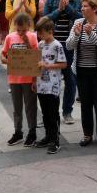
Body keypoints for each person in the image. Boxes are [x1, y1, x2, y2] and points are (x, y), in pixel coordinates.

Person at [66, 0, 97, 150]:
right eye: (82, 6)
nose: (82, 9)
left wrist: (91, 35)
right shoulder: (78, 22)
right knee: (85, 104)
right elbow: (68, 46)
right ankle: (87, 134)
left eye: (85, 6)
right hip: (81, 71)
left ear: (94, 8)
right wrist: (77, 34)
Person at [44, 0, 82, 125]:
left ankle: (67, 112)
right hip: (53, 46)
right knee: (51, 81)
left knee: (70, 81)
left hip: (71, 46)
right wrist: (59, 10)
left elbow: (82, 19)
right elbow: (44, 21)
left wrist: (69, 7)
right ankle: (51, 112)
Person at [2, 12, 39, 147]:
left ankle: (32, 131)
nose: (21, 32)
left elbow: (36, 57)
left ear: (29, 26)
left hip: (29, 78)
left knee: (30, 107)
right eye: (18, 30)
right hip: (14, 78)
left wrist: (27, 42)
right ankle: (18, 131)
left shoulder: (33, 37)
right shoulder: (10, 37)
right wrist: (7, 60)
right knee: (17, 107)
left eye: (24, 30)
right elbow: (3, 55)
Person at [34, 17, 66, 153]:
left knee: (53, 114)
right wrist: (34, 81)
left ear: (50, 31)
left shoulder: (57, 45)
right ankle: (48, 136)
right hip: (41, 85)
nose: (39, 36)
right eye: (38, 33)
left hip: (53, 86)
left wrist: (48, 65)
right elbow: (36, 63)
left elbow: (63, 64)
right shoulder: (40, 45)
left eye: (41, 33)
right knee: (45, 113)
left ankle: (55, 140)